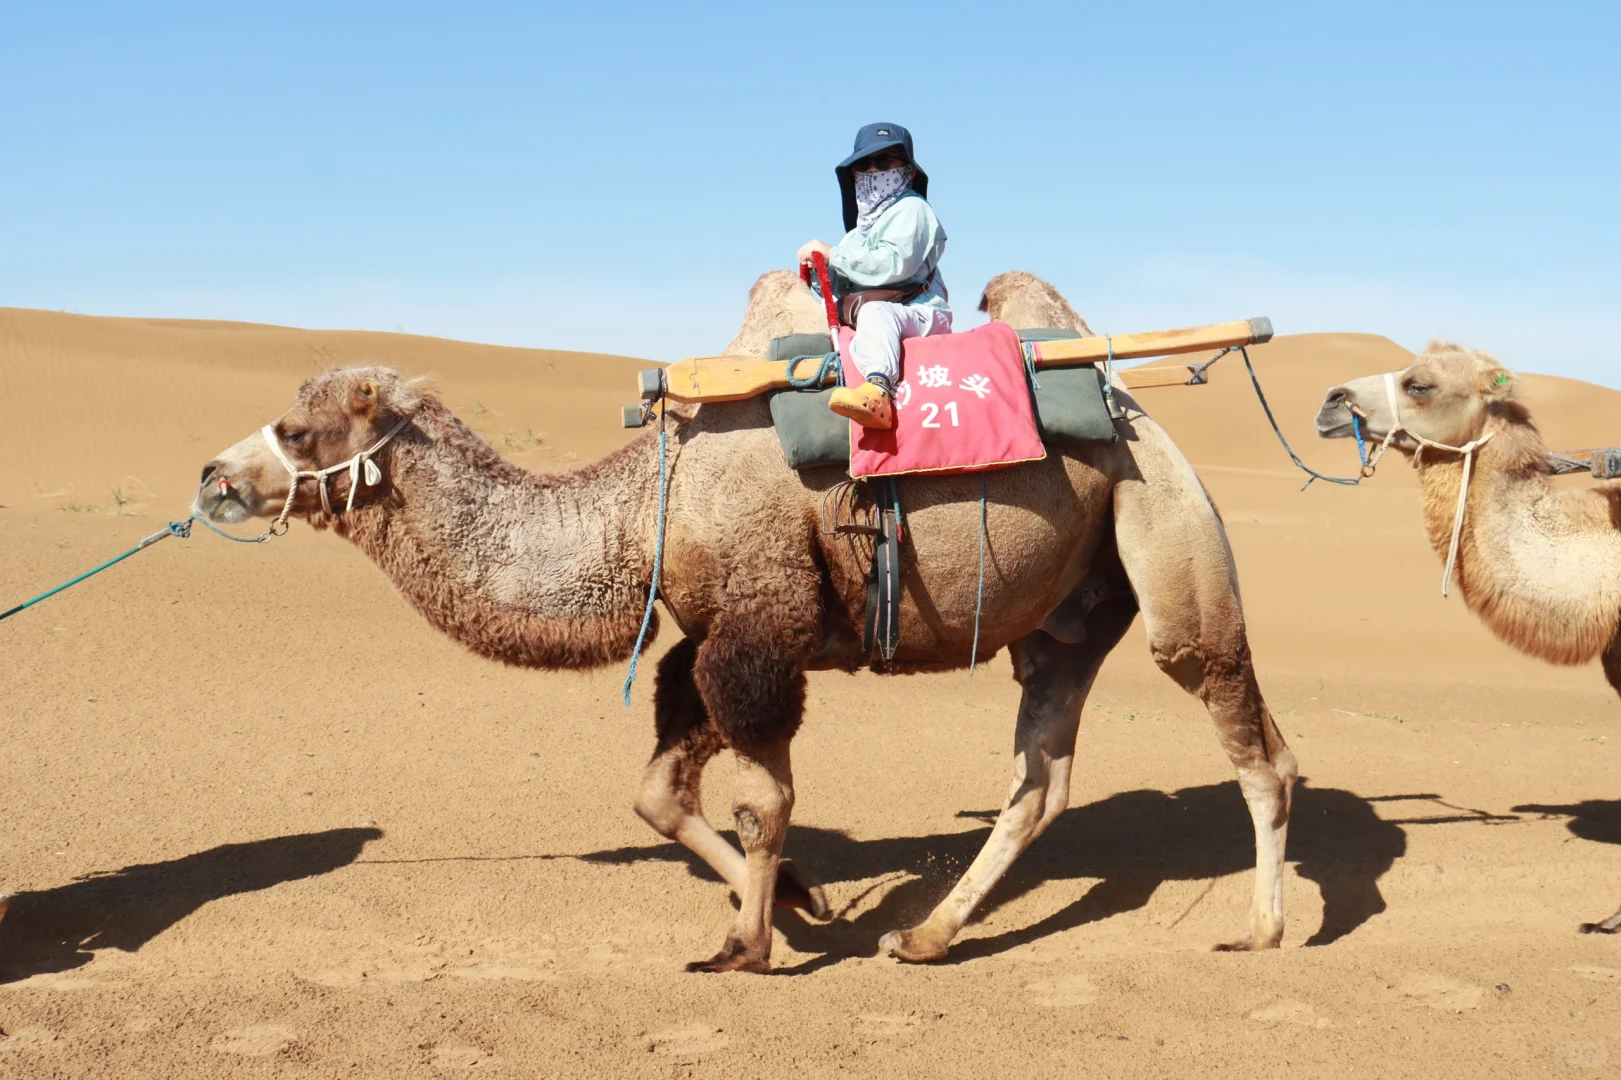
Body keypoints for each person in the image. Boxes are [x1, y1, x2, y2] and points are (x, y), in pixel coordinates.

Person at [797, 123, 950, 430]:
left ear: (907, 170)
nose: (872, 171)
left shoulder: (913, 210)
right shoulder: (856, 236)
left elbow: (895, 264)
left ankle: (879, 392)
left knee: (875, 312)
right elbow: (841, 285)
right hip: (867, 320)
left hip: (918, 313)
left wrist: (833, 254)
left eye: (883, 162)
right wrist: (819, 272)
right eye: (863, 165)